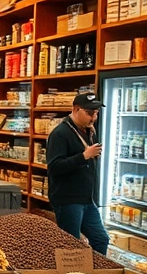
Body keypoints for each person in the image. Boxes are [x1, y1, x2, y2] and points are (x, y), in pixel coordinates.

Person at [47, 92, 110, 255]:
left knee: (101, 239)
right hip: (68, 200)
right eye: (89, 113)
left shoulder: (89, 131)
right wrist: (84, 156)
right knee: (72, 246)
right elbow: (54, 167)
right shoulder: (60, 134)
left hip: (87, 200)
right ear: (76, 109)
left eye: (96, 113)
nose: (93, 117)